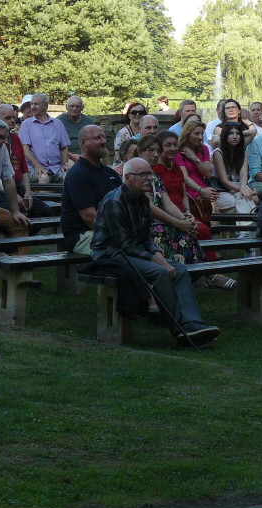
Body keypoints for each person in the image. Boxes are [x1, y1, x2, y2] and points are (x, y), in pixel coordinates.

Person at [91, 158, 221, 348]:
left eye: (150, 174)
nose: (149, 178)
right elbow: (124, 245)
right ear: (127, 177)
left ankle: (193, 322)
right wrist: (162, 264)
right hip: (110, 254)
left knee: (180, 269)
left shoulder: (143, 200)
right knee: (160, 272)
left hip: (134, 250)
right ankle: (179, 329)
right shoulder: (114, 202)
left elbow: (145, 238)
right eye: (143, 174)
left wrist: (162, 260)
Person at [136, 135, 209, 268]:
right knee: (176, 233)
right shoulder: (137, 175)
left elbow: (168, 204)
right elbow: (150, 207)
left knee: (189, 230)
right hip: (142, 226)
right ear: (140, 152)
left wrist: (185, 221)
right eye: (151, 150)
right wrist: (179, 223)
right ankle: (190, 273)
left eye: (158, 151)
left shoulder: (155, 177)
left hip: (159, 223)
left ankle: (197, 272)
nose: (155, 154)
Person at [61, 125, 122, 254]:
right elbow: (89, 217)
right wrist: (120, 234)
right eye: (97, 138)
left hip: (110, 230)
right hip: (83, 235)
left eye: (103, 137)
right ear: (83, 143)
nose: (103, 141)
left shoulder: (110, 173)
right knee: (123, 249)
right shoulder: (78, 174)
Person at [175, 117, 218, 225]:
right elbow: (184, 177)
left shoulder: (204, 149)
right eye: (196, 134)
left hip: (204, 189)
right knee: (210, 206)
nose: (200, 137)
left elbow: (208, 174)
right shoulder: (178, 151)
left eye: (202, 133)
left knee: (213, 205)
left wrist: (194, 158)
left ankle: (215, 237)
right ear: (187, 134)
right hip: (189, 191)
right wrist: (201, 191)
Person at [20, 93, 70, 183]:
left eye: (36, 104)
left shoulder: (57, 123)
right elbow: (25, 149)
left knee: (70, 177)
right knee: (43, 178)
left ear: (45, 106)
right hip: (34, 168)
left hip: (56, 168)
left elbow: (64, 147)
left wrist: (64, 163)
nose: (33, 107)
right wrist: (37, 165)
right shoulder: (26, 124)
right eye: (32, 104)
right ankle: (43, 197)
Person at [211, 122, 259, 215]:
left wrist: (244, 188)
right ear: (225, 136)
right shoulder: (218, 153)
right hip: (221, 188)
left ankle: (243, 229)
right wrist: (243, 189)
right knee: (235, 202)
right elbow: (224, 181)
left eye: (237, 133)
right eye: (230, 133)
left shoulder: (243, 153)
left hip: (237, 186)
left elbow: (243, 174)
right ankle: (247, 228)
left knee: (248, 199)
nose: (234, 136)